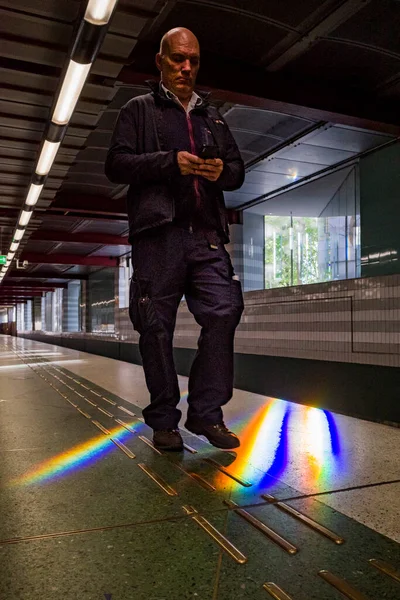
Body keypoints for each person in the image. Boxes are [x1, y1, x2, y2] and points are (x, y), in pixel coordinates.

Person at [105, 27, 244, 451]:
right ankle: (165, 420)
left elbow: (238, 171)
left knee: (224, 311)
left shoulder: (213, 118)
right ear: (161, 61)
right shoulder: (138, 109)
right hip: (158, 237)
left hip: (206, 236)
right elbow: (116, 165)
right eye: (177, 59)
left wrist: (222, 172)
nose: (186, 67)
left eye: (194, 61)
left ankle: (206, 415)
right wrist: (170, 162)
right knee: (155, 328)